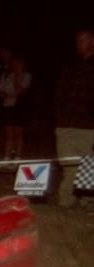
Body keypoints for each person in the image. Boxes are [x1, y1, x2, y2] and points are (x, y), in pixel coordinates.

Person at [55, 27, 94, 208]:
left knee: (87, 166)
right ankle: (66, 200)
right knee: (68, 164)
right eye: (77, 40)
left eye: (83, 40)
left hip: (88, 125)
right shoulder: (70, 66)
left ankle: (88, 200)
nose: (79, 44)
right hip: (65, 123)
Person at [0, 55, 32, 160]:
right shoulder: (6, 75)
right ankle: (7, 156)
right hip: (7, 106)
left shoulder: (26, 76)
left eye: (18, 65)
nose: (16, 67)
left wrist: (17, 78)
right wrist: (5, 95)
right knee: (9, 133)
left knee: (18, 133)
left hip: (20, 106)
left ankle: (18, 156)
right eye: (14, 65)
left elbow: (21, 90)